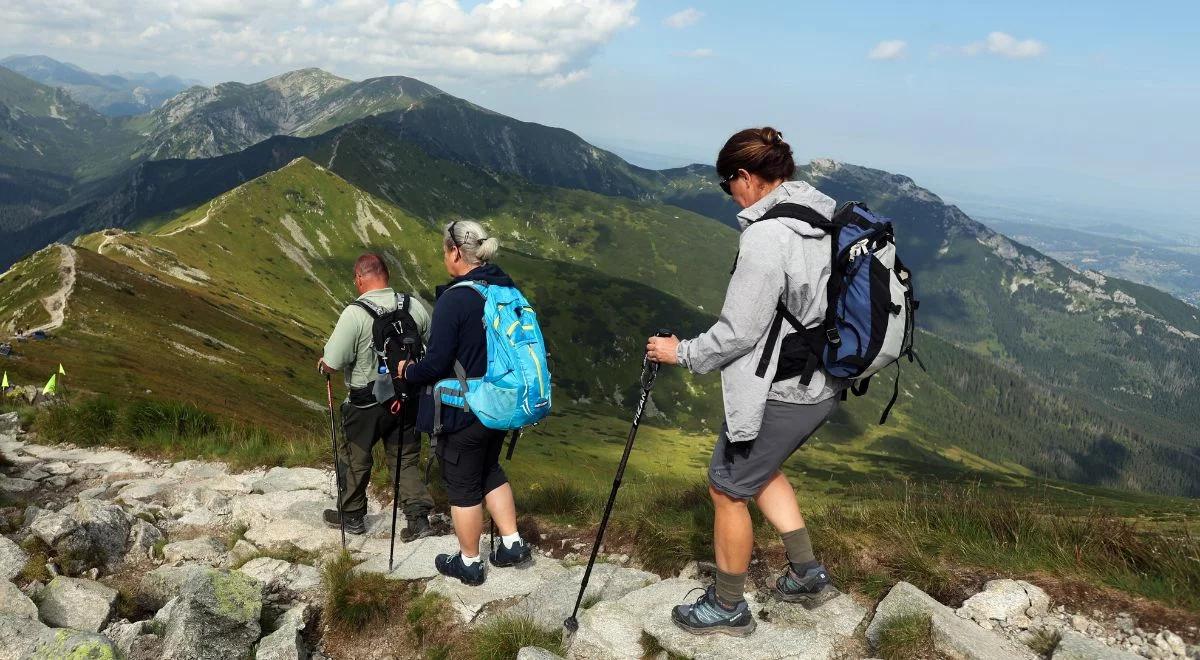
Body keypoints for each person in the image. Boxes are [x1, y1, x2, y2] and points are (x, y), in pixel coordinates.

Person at [646, 127, 844, 636]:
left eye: (727, 183)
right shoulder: (823, 214)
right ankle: (806, 572)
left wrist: (681, 352)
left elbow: (738, 332)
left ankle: (728, 606)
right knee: (762, 467)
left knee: (727, 487)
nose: (730, 194)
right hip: (823, 378)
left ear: (746, 177)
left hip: (784, 389)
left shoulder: (767, 236)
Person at [400, 220, 532, 585]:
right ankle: (511, 543)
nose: (444, 257)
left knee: (461, 484)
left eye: (445, 250)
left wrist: (408, 371)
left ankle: (470, 562)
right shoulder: (504, 289)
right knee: (490, 468)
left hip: (465, 408)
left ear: (456, 252)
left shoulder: (456, 298)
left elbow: (437, 362)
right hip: (501, 404)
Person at [318, 253, 435, 539]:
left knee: (355, 457)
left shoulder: (355, 313)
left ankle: (352, 515)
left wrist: (323, 364)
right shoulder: (413, 306)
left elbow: (333, 361)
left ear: (360, 278)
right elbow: (432, 347)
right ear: (386, 275)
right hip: (406, 396)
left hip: (366, 403)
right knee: (405, 458)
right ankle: (418, 519)